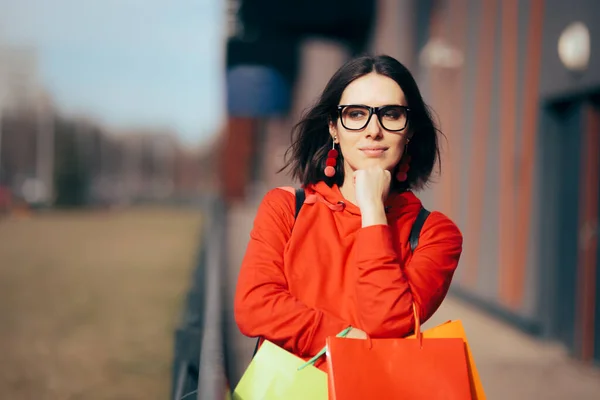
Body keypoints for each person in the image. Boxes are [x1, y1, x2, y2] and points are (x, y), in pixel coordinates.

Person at [233, 54, 463, 371]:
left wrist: (373, 212)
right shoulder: (286, 207)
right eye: (356, 114)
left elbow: (387, 324)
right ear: (334, 128)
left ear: (409, 130)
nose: (373, 130)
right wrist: (344, 338)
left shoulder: (436, 234)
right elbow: (255, 306)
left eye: (391, 114)